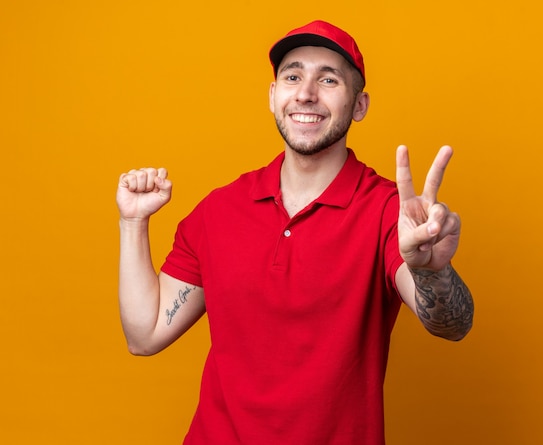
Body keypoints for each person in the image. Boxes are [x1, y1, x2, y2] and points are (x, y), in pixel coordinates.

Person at [117, 20, 474, 445]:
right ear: (273, 97)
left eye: (328, 79)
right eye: (292, 76)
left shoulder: (387, 213)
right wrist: (133, 223)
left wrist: (431, 270)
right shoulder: (218, 210)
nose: (306, 92)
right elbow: (145, 335)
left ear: (359, 105)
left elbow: (454, 325)